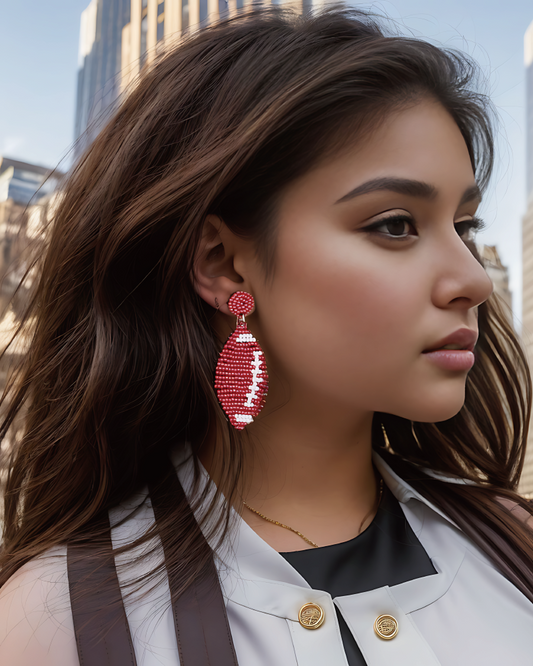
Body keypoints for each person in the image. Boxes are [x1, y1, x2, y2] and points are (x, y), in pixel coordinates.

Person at [1, 6, 533, 665]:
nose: (470, 279)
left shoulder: (515, 550)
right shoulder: (53, 624)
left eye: (465, 227)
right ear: (223, 263)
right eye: (395, 225)